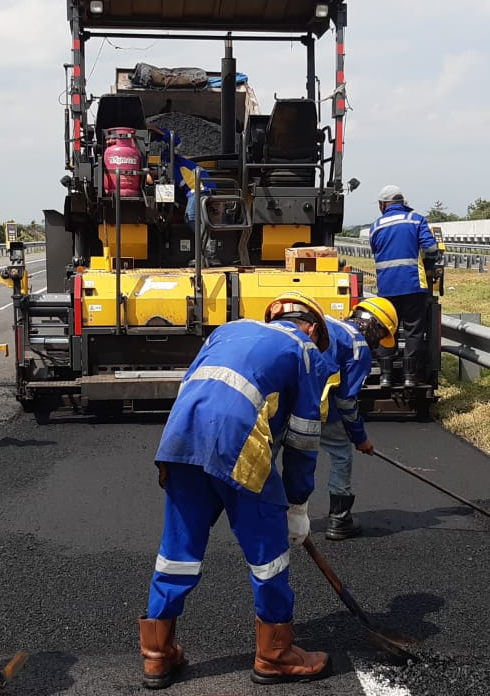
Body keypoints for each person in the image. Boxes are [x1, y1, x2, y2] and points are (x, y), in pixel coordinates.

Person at [139, 292, 333, 689]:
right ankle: (275, 655)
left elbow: (196, 384)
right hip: (237, 447)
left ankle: (157, 655)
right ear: (311, 327)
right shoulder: (304, 350)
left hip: (180, 441)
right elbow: (303, 438)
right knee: (269, 557)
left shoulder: (227, 331)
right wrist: (297, 504)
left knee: (177, 553)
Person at [320, 296, 398, 540]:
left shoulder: (327, 323)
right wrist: (359, 437)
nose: (378, 343)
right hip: (318, 409)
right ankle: (339, 520)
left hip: (286, 403)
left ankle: (278, 518)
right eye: (382, 335)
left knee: (289, 453)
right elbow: (346, 401)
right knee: (341, 452)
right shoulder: (358, 346)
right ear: (376, 327)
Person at [368, 185, 438, 388]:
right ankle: (410, 376)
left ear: (383, 205)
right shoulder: (416, 220)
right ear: (402, 202)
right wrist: (430, 263)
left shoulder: (376, 226)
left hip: (387, 288)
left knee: (387, 330)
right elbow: (431, 248)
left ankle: (386, 376)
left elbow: (376, 250)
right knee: (413, 331)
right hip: (413, 285)